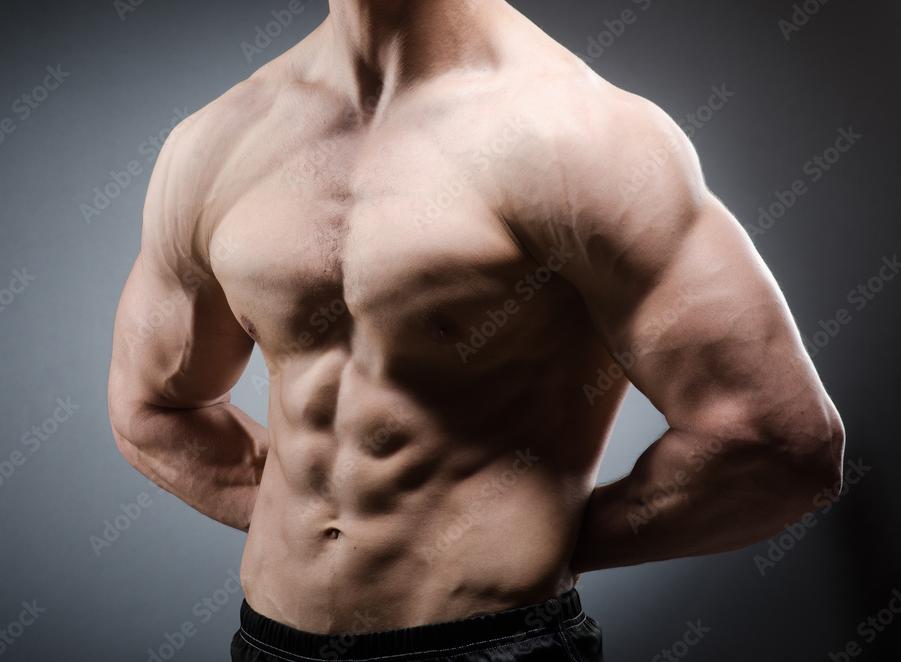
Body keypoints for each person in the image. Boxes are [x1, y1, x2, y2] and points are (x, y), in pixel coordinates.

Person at [107, 1, 846, 660]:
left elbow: (779, 445)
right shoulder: (217, 140)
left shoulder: (586, 137)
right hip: (268, 644)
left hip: (489, 647)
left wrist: (533, 544)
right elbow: (151, 409)